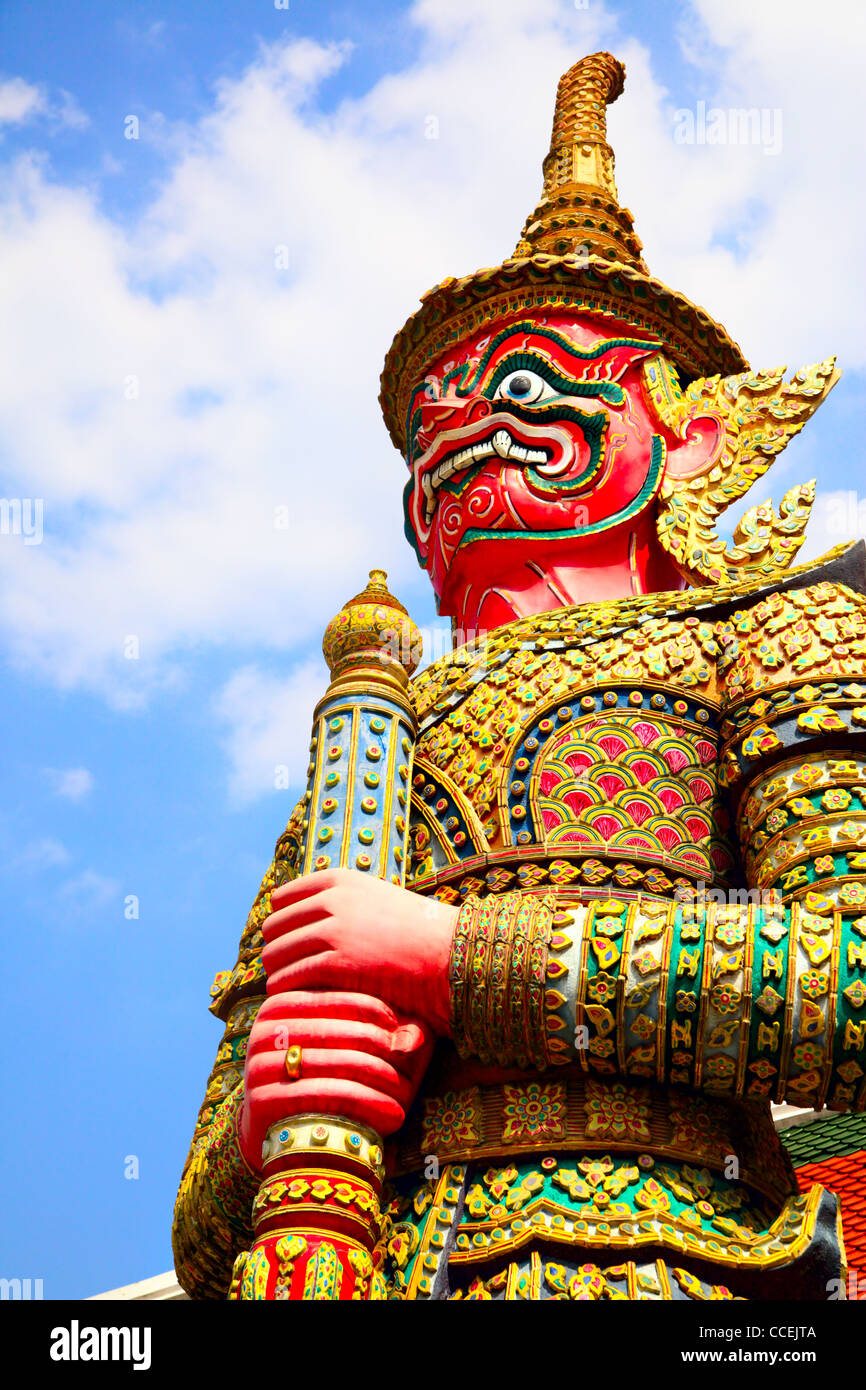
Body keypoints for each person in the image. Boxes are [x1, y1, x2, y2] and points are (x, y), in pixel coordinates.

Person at [173, 52, 866, 1301]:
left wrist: (454, 958)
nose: (468, 423)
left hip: (669, 1253)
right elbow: (203, 1219)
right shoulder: (368, 752)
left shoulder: (768, 641)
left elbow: (855, 981)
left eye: (533, 381)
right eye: (437, 410)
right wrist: (264, 1112)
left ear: (689, 436)